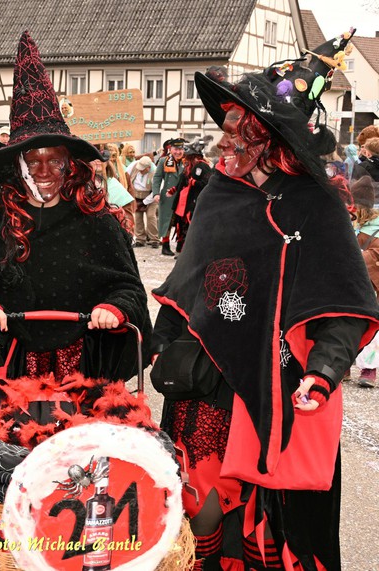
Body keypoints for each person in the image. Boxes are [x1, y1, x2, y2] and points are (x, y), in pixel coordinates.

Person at [151, 30, 379, 569]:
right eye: (227, 127)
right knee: (197, 508)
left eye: (240, 130)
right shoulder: (217, 195)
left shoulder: (316, 205)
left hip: (280, 388)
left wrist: (323, 372)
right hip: (206, 386)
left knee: (275, 520)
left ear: (272, 140)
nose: (224, 142)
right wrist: (158, 342)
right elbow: (187, 282)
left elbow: (346, 302)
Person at [0, 30, 150, 401]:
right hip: (8, 363)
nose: (43, 171)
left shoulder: (96, 219)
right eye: (32, 160)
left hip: (83, 365)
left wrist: (115, 308)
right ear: (17, 165)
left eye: (53, 160)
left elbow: (128, 287)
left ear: (70, 165)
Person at [351, 175, 379, 388]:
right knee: (345, 323)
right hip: (349, 282)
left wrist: (358, 257)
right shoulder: (348, 223)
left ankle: (369, 369)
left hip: (371, 284)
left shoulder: (377, 228)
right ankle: (341, 367)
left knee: (371, 325)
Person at [170, 137, 212, 253]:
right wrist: (174, 189)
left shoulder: (202, 166)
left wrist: (194, 183)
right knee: (182, 224)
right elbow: (182, 182)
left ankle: (188, 251)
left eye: (188, 157)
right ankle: (182, 249)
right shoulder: (188, 167)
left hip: (194, 203)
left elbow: (207, 184)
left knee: (191, 226)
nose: (185, 159)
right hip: (184, 203)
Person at [151, 137, 187, 256]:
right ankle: (165, 246)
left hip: (183, 196)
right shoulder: (163, 161)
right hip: (167, 196)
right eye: (175, 149)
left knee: (181, 221)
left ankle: (180, 246)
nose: (178, 152)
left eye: (180, 149)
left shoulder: (187, 161)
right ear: (170, 149)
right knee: (166, 221)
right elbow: (157, 178)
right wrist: (156, 193)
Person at [128, 155, 159, 247]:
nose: (139, 170)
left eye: (142, 169)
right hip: (136, 196)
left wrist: (145, 202)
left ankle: (154, 239)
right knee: (137, 217)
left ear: (148, 168)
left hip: (150, 197)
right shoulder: (134, 165)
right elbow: (126, 175)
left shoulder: (155, 172)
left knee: (150, 216)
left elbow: (156, 190)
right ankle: (140, 239)